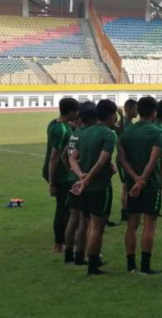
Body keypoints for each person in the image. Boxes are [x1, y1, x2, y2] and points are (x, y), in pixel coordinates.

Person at [69, 99, 118, 275]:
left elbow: (72, 158)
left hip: (85, 188)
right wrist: (87, 179)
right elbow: (101, 162)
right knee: (97, 227)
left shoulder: (85, 132)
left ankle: (83, 256)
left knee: (87, 222)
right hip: (99, 186)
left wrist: (80, 174)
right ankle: (93, 263)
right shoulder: (109, 134)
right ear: (112, 115)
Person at [118, 97, 162, 274]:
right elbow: (153, 160)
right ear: (154, 112)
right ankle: (145, 266)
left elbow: (122, 159)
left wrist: (135, 179)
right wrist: (142, 179)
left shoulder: (127, 132)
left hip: (131, 183)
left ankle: (131, 265)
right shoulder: (156, 132)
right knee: (149, 225)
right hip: (150, 184)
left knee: (132, 224)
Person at [43, 97, 80, 253]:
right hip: (62, 175)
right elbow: (54, 156)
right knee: (63, 209)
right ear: (71, 112)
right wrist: (52, 182)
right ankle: (59, 244)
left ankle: (63, 240)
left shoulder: (54, 124)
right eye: (76, 112)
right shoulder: (62, 130)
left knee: (66, 208)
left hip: (62, 174)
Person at [63, 102, 96, 266]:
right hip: (83, 180)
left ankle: (68, 255)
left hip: (71, 179)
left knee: (73, 219)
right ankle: (80, 256)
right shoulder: (87, 134)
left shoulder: (74, 133)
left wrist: (71, 170)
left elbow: (65, 156)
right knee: (85, 221)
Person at [115, 99, 138, 224]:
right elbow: (119, 132)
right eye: (135, 108)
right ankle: (125, 212)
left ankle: (129, 210)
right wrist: (121, 115)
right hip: (123, 160)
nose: (137, 111)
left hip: (130, 159)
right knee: (126, 186)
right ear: (127, 109)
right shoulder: (122, 122)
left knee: (129, 185)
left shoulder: (131, 123)